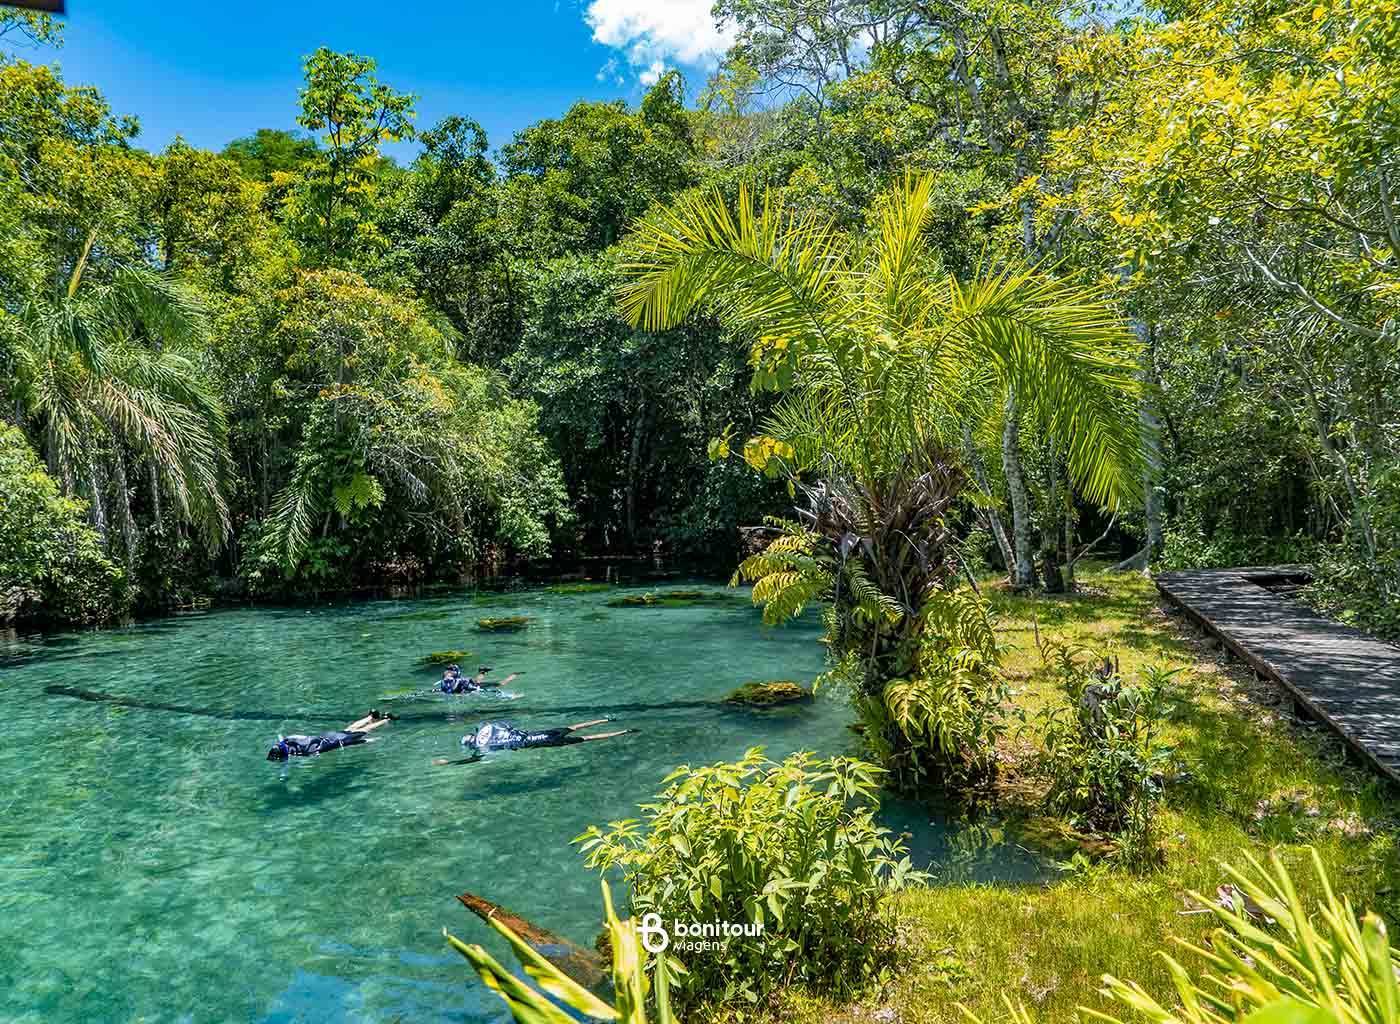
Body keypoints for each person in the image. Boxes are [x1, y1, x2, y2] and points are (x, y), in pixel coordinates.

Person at [434, 718, 631, 764]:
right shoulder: (485, 728)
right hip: (535, 734)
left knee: (585, 738)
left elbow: (472, 760)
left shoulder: (480, 747)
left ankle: (622, 732)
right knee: (575, 726)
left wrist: (450, 762)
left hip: (540, 743)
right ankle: (607, 719)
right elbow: (505, 724)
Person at [266, 710, 395, 761]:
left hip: (335, 741)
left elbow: (338, 745)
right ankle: (371, 716)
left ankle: (386, 719)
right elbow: (296, 736)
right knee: (350, 729)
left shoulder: (307, 753)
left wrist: (365, 741)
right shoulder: (290, 742)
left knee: (364, 731)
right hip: (327, 736)